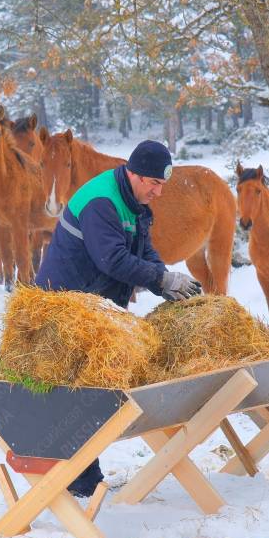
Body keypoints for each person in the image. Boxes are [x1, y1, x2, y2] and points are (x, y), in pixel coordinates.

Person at [35, 139, 202, 497]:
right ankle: (79, 481)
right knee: (80, 392)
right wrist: (161, 279)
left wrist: (165, 282)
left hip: (95, 306)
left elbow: (142, 249)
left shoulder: (136, 202)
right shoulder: (102, 202)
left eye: (162, 185)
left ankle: (84, 479)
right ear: (134, 173)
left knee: (94, 390)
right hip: (65, 304)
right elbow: (112, 260)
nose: (158, 191)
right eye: (153, 183)